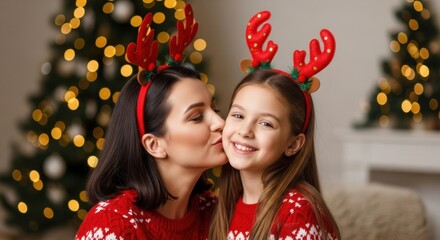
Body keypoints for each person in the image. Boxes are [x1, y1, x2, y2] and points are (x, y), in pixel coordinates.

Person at [75, 4, 227, 240]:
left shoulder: (215, 211)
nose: (220, 122)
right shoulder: (110, 225)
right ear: (154, 144)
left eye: (215, 109)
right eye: (197, 117)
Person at [209, 11, 340, 240]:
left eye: (266, 123)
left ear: (293, 144)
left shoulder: (298, 211)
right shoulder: (227, 206)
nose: (245, 131)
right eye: (238, 116)